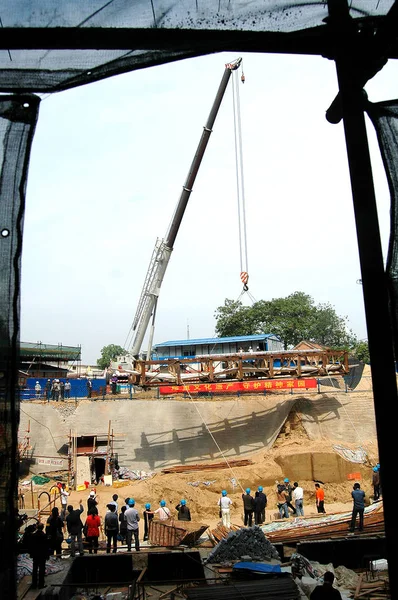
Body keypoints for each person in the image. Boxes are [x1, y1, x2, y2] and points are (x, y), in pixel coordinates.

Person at [30, 522, 50, 590]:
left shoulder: (33, 536)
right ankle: (41, 584)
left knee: (35, 569)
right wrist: (47, 555)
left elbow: (31, 546)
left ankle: (34, 584)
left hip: (35, 555)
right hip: (42, 555)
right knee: (42, 569)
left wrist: (31, 554)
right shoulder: (44, 536)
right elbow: (46, 546)